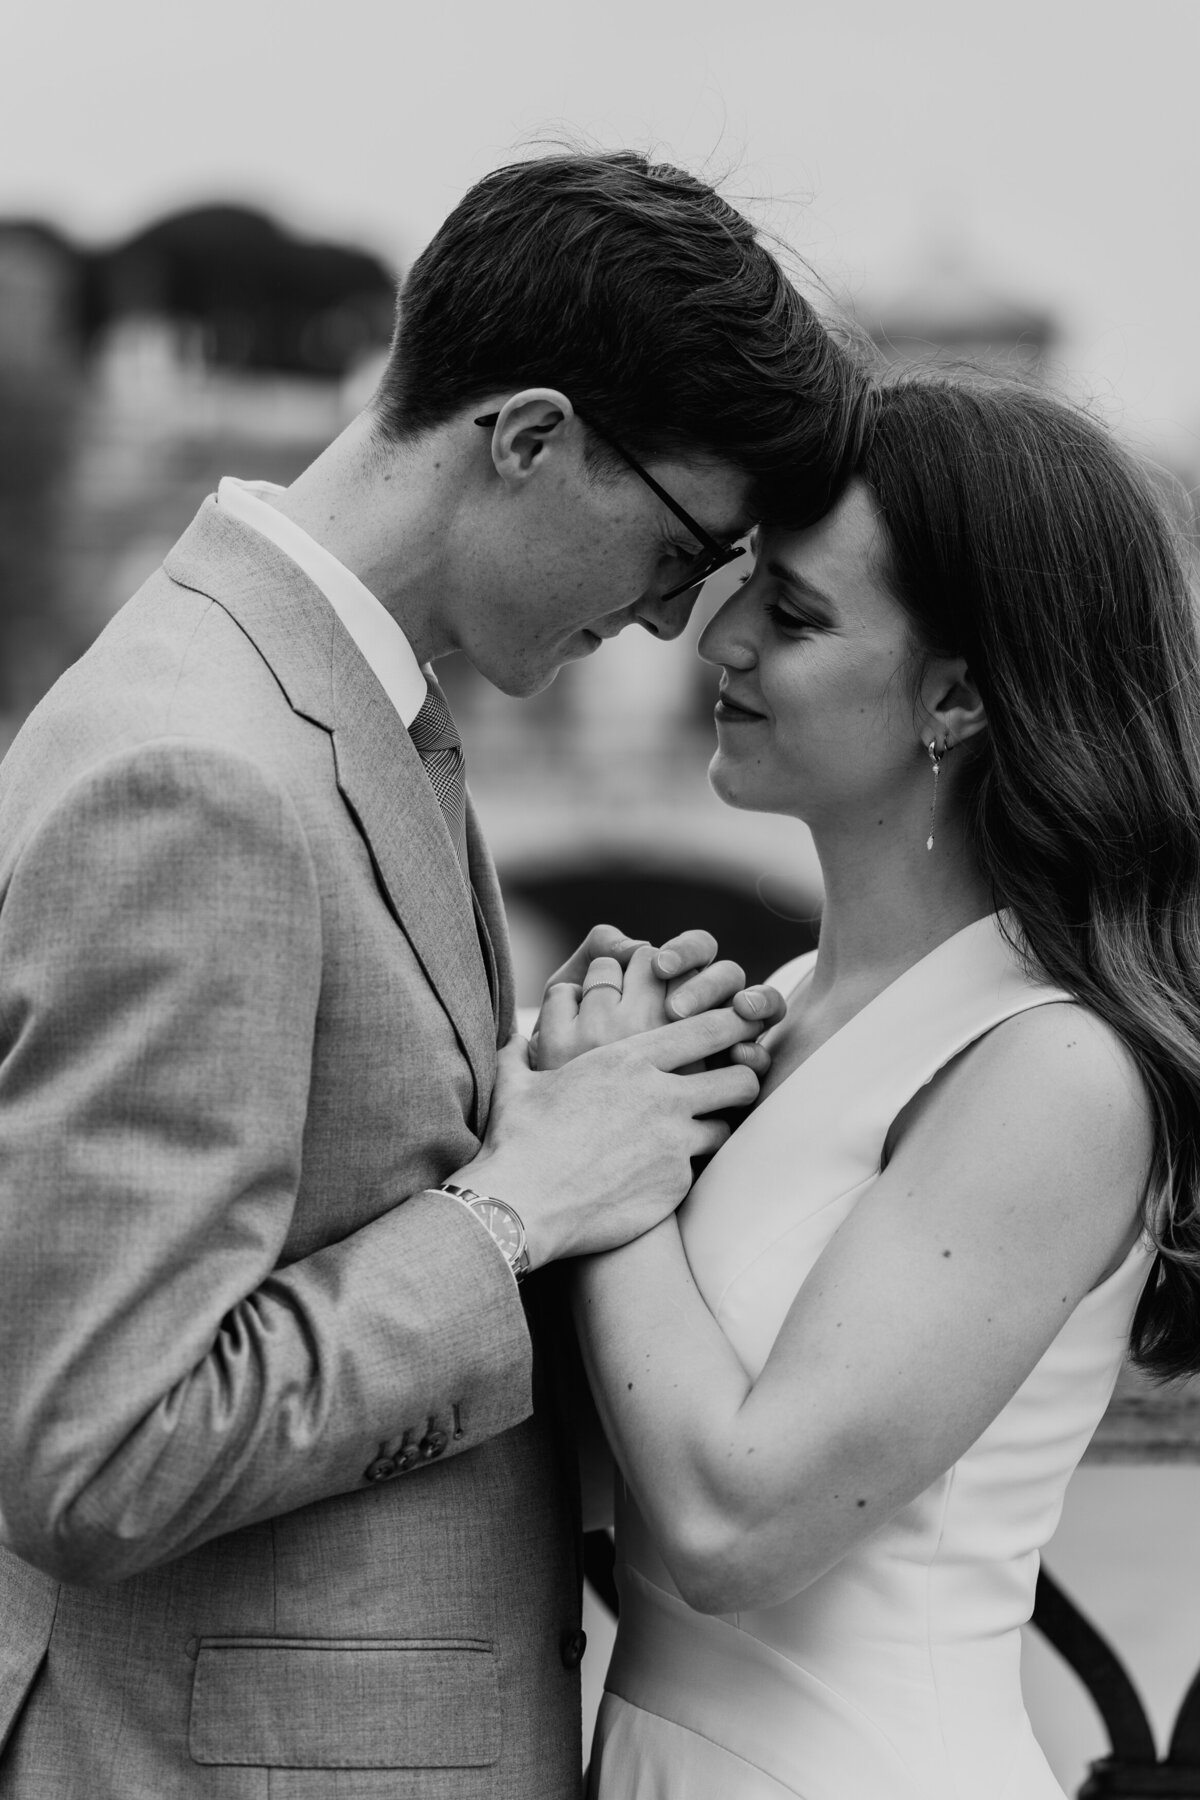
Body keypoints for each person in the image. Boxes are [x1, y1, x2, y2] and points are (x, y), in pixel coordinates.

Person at [0, 150, 869, 1798]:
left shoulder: (313, 699)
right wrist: (515, 1209)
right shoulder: (202, 777)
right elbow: (95, 1449)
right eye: (688, 549)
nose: (681, 627)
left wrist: (548, 1087)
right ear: (531, 437)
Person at [531, 370, 1200, 1799]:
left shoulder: (1052, 1065)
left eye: (799, 610)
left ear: (957, 695)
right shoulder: (761, 1019)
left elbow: (734, 1526)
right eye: (748, 585)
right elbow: (612, 1468)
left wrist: (605, 1156)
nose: (721, 636)